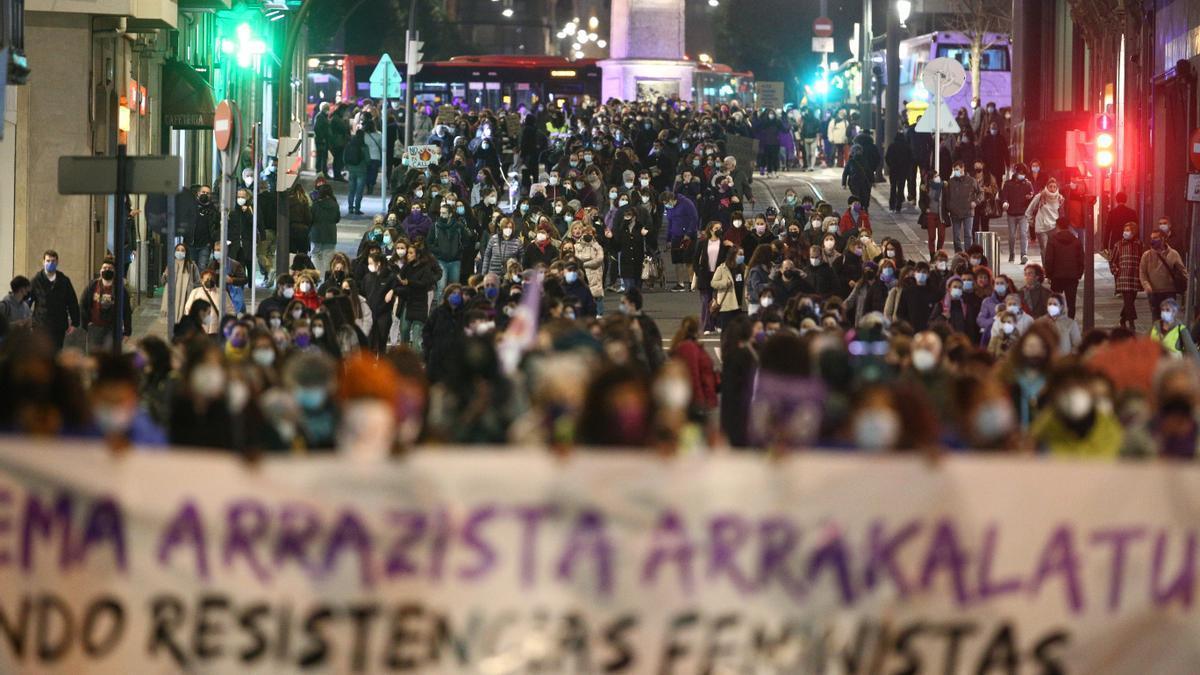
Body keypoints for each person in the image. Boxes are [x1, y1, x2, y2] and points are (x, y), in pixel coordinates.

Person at [79, 256, 132, 354]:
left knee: (109, 357)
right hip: (94, 328)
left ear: (114, 272)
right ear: (100, 271)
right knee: (93, 357)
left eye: (110, 269)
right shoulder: (93, 286)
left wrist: (127, 332)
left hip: (112, 329)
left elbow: (126, 311)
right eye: (104, 268)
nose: (107, 270)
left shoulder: (120, 290)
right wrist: (85, 324)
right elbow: (83, 304)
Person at [30, 250, 80, 351]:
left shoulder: (64, 281)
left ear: (57, 262)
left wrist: (75, 322)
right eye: (48, 261)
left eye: (53, 261)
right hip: (41, 325)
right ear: (43, 262)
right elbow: (27, 302)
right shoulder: (36, 281)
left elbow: (72, 302)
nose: (50, 263)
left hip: (58, 326)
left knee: (56, 354)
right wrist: (28, 323)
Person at [669, 316, 717, 419]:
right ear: (696, 330)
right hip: (695, 404)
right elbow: (693, 376)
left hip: (696, 401)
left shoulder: (689, 346)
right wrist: (699, 402)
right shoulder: (689, 348)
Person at [1139, 227, 1186, 321]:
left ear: (1163, 239)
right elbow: (1142, 273)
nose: (1153, 240)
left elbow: (1182, 272)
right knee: (1156, 319)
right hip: (1153, 292)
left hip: (1169, 292)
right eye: (1151, 238)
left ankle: (1168, 335)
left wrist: (1186, 289)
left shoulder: (1173, 254)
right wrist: (1147, 286)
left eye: (1155, 238)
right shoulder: (1147, 255)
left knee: (1168, 319)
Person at [1042, 217, 1084, 318]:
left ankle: (1055, 320)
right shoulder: (1076, 241)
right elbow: (1081, 259)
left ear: (1057, 226)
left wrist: (1049, 274)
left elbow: (1049, 259)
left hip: (1057, 276)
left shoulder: (1052, 240)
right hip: (1072, 277)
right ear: (1068, 226)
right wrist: (1079, 274)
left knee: (1055, 302)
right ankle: (1070, 322)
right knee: (1071, 303)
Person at [692, 221, 728, 334]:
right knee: (705, 301)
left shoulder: (723, 243)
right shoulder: (702, 243)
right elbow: (695, 259)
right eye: (717, 228)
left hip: (718, 275)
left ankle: (717, 324)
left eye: (720, 228)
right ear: (711, 229)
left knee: (718, 301)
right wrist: (698, 272)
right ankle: (707, 326)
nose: (719, 230)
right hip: (705, 275)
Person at [663, 191, 699, 292]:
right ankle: (680, 284)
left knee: (688, 261)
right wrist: (669, 239)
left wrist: (689, 233)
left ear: (671, 199)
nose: (666, 205)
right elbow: (670, 223)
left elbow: (694, 218)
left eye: (666, 202)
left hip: (688, 236)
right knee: (677, 261)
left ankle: (692, 283)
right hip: (675, 235)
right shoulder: (669, 208)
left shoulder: (686, 203)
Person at [1110, 222, 1143, 330]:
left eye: (1128, 230)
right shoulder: (1118, 245)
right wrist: (1116, 271)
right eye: (1125, 230)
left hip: (1135, 277)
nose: (1126, 232)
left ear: (1134, 232)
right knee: (1128, 301)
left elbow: (1143, 259)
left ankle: (1122, 320)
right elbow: (1112, 261)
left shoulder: (1139, 244)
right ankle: (1132, 324)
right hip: (1123, 277)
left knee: (1130, 301)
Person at [1000, 164, 1035, 264]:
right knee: (1012, 235)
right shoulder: (1008, 184)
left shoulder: (1028, 184)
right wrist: (1005, 202)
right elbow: (1004, 196)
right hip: (1011, 213)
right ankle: (1012, 254)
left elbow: (1032, 196)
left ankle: (1024, 254)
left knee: (1024, 234)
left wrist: (1030, 197)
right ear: (1015, 173)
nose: (1022, 175)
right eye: (1020, 173)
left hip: (1023, 214)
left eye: (1023, 173)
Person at [943, 161, 980, 253]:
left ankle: (968, 253)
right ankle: (958, 253)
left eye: (957, 169)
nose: (955, 172)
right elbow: (947, 197)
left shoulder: (971, 181)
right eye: (954, 170)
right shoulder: (951, 182)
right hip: (955, 212)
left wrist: (975, 202)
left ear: (963, 168)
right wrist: (949, 207)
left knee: (968, 234)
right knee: (956, 235)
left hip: (968, 212)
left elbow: (980, 193)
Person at [1025, 178, 1064, 253]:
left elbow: (1062, 213)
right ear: (1047, 187)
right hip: (1041, 227)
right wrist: (1031, 221)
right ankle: (1046, 265)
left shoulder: (1059, 198)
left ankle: (1052, 265)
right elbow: (1028, 211)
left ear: (1057, 188)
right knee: (1045, 249)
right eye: (1050, 186)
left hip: (1054, 227)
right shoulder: (1040, 196)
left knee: (1054, 250)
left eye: (1054, 187)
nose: (1052, 189)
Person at [310, 182, 341, 273]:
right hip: (330, 234)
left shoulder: (315, 205)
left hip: (316, 234)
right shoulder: (335, 205)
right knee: (328, 257)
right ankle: (326, 276)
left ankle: (317, 274)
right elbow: (337, 219)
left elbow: (311, 218)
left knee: (315, 255)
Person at [885, 131, 913, 213]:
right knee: (901, 188)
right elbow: (911, 159)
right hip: (903, 171)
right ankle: (898, 206)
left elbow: (887, 157)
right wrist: (907, 168)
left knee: (893, 187)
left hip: (893, 170)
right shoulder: (907, 147)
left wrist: (891, 165)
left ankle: (892, 204)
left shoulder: (892, 146)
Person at [345, 129, 371, 215]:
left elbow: (344, 158)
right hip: (361, 171)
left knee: (351, 190)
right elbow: (368, 160)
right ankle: (357, 209)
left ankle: (350, 208)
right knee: (359, 191)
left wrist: (348, 166)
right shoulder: (364, 147)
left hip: (351, 171)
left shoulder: (349, 145)